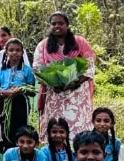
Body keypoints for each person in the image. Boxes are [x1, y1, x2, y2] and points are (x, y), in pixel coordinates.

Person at [34, 12, 96, 140]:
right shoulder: (43, 45)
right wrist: (52, 83)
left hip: (77, 94)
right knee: (55, 126)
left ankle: (79, 149)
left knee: (78, 129)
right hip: (54, 94)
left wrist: (73, 83)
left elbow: (89, 65)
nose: (57, 26)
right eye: (54, 23)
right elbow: (37, 68)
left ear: (67, 25)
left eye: (60, 23)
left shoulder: (80, 42)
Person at [0, 38, 36, 151]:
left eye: (18, 50)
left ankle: (20, 149)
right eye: (11, 50)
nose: (14, 53)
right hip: (5, 101)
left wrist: (21, 90)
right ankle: (7, 149)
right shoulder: (1, 69)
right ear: (6, 52)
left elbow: (32, 91)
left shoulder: (26, 70)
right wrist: (5, 92)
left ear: (22, 52)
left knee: (21, 126)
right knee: (6, 126)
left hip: (21, 101)